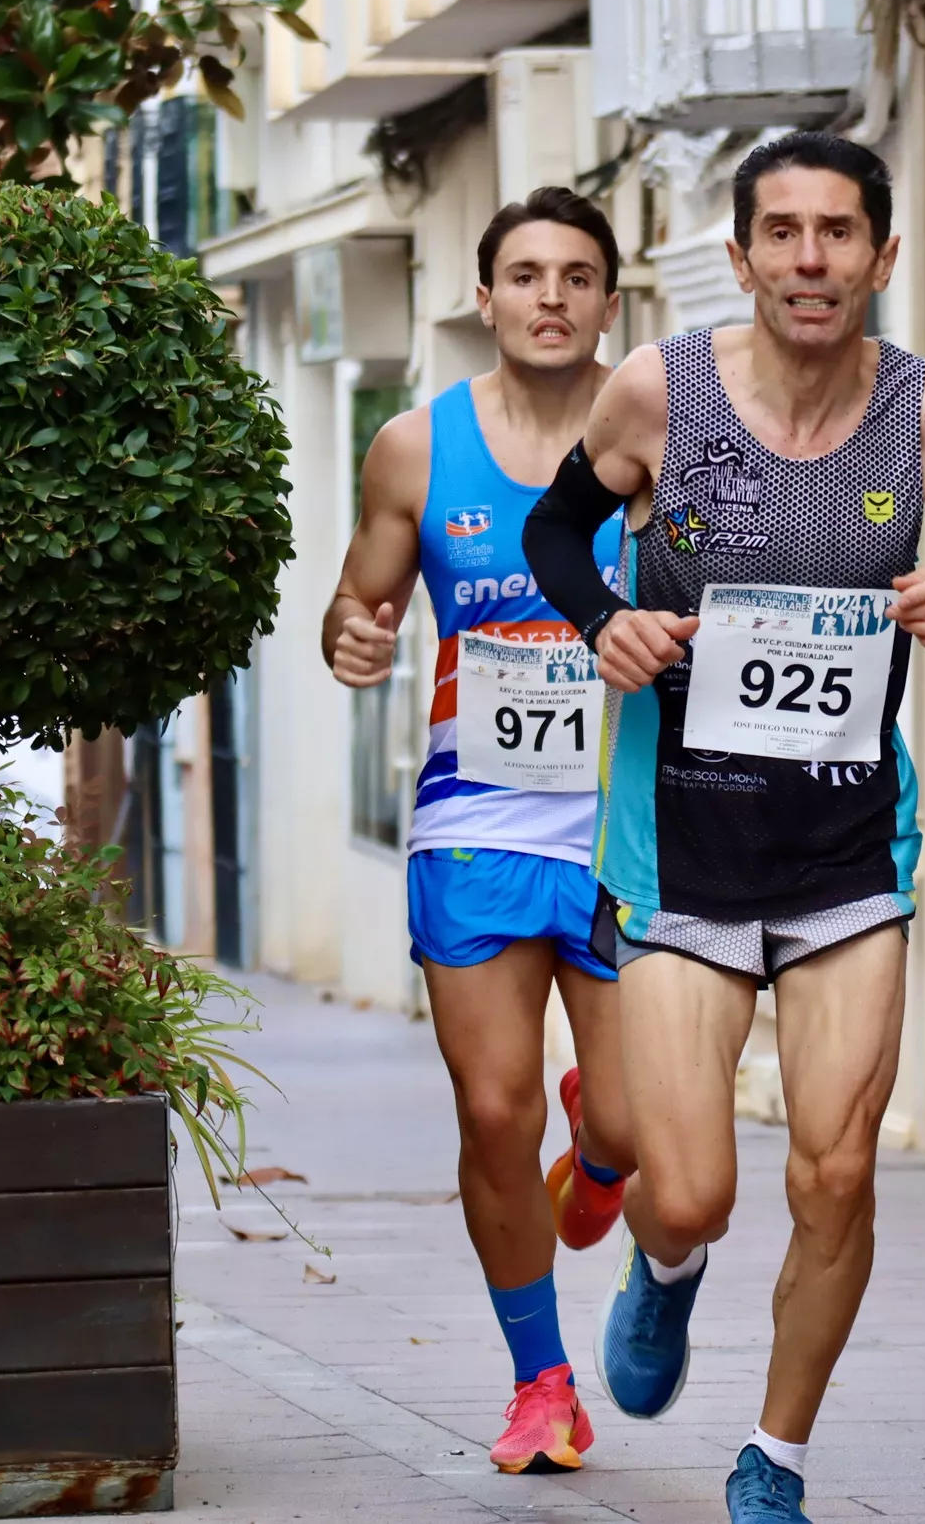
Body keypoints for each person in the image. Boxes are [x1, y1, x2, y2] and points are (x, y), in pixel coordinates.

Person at [521, 131, 925, 1524]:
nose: (810, 260)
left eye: (838, 234)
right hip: (682, 843)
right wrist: (604, 619)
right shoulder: (657, 396)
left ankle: (777, 1453)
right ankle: (669, 1268)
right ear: (743, 254)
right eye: (783, 233)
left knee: (836, 1162)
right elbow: (555, 535)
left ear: (881, 253)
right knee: (691, 1190)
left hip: (844, 849)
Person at [323, 186, 640, 1477]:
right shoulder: (415, 447)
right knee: (494, 1111)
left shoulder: (677, 434)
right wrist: (353, 637)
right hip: (477, 820)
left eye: (576, 276)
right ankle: (541, 1381)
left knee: (631, 1130)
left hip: (631, 827)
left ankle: (603, 1145)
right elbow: (360, 604)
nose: (551, 296)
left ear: (610, 302)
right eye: (526, 274)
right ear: (486, 295)